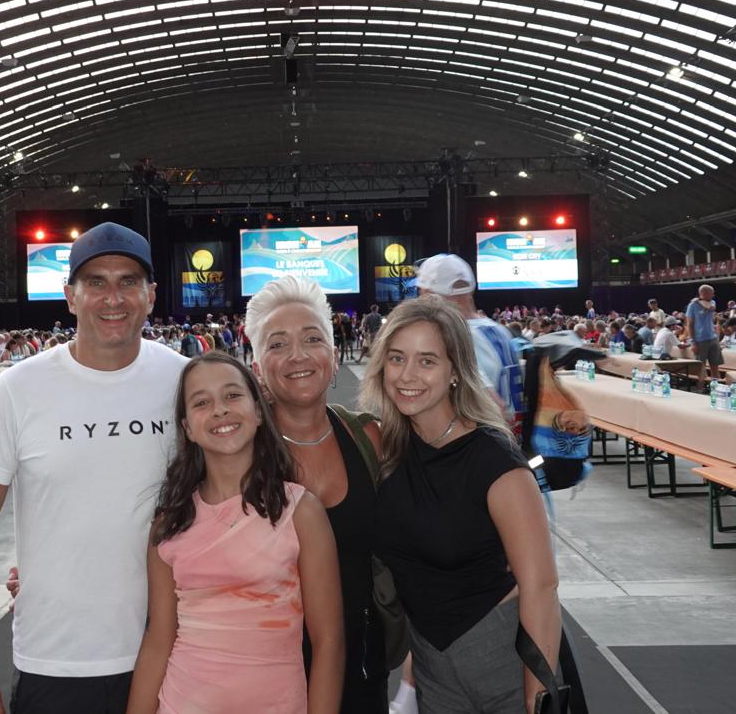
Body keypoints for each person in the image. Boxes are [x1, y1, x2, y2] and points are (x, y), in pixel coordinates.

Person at [0, 223, 187, 714]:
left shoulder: (184, 381)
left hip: (178, 649)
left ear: (151, 295)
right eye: (95, 282)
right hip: (58, 659)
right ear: (70, 297)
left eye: (128, 281)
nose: (113, 297)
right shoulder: (19, 389)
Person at [364, 297, 560, 714]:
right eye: (397, 358)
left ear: (455, 371)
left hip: (500, 654)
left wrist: (538, 696)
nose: (407, 375)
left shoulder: (494, 460)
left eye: (427, 361)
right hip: (432, 662)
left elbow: (541, 585)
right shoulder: (391, 449)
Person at [127, 353, 343, 713]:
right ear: (187, 428)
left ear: (258, 413)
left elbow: (329, 641)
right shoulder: (168, 524)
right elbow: (158, 641)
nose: (220, 410)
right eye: (201, 402)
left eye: (232, 396)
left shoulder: (301, 512)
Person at [245, 275, 393, 713]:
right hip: (261, 675)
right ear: (256, 367)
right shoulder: (234, 453)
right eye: (277, 344)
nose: (298, 355)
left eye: (312, 338)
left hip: (362, 666)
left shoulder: (369, 438)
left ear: (332, 354)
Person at [414, 254, 524, 429]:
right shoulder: (501, 331)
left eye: (422, 292)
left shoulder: (458, 336)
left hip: (485, 444)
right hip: (511, 440)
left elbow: (493, 405)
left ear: (433, 296)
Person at [685, 284, 722, 384]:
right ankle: (700, 389)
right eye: (711, 293)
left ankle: (717, 387)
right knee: (700, 368)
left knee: (715, 366)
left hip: (713, 338)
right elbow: (690, 324)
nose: (713, 295)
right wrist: (693, 341)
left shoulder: (712, 302)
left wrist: (698, 301)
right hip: (700, 340)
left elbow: (710, 308)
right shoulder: (692, 306)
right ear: (703, 293)